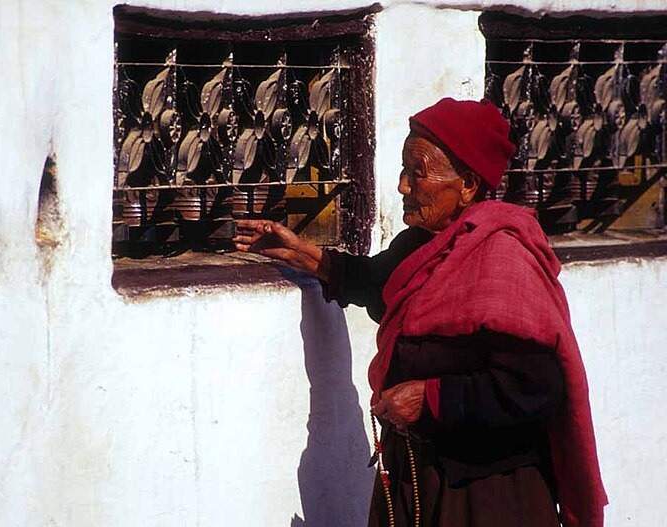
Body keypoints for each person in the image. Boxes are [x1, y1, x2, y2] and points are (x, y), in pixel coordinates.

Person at [233, 98, 607, 527]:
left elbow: (534, 387)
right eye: (403, 170)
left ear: (467, 184)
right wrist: (303, 254)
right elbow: (377, 284)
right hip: (415, 478)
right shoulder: (420, 245)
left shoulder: (503, 256)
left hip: (489, 496)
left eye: (418, 173)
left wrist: (429, 398)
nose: (403, 186)